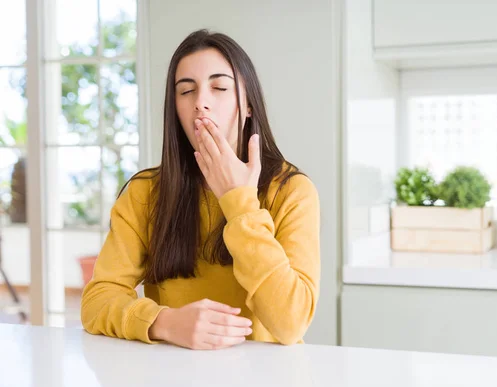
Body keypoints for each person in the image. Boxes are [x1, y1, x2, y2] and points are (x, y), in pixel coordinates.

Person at [80, 29, 321, 350]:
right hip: (171, 377)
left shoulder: (292, 191)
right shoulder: (144, 193)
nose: (201, 103)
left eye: (219, 87)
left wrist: (239, 201)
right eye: (186, 91)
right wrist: (163, 322)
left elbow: (291, 324)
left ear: (248, 105)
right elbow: (97, 300)